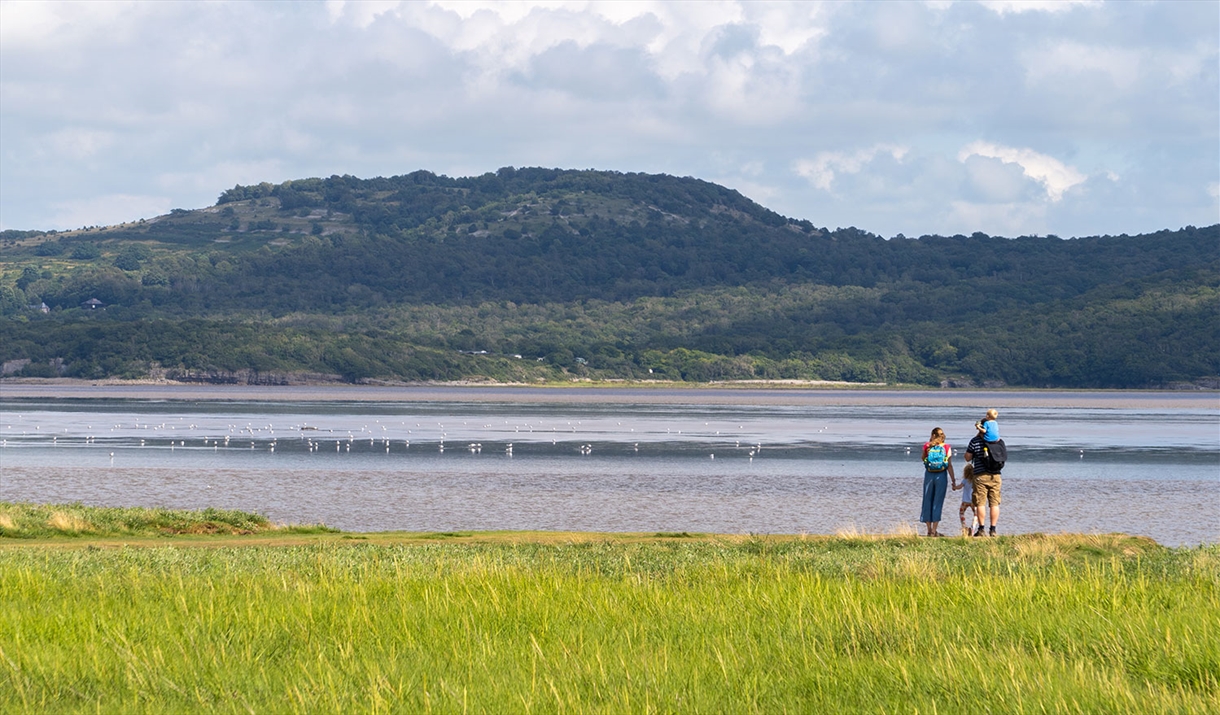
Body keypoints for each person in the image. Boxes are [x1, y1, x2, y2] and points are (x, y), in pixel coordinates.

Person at [965, 418, 1001, 536]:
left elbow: (968, 458)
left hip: (980, 475)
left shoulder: (975, 441)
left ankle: (981, 529)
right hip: (995, 475)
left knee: (980, 503)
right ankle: (993, 529)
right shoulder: (998, 441)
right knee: (994, 503)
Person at [919, 427, 955, 537]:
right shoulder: (947, 447)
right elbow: (949, 465)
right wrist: (953, 480)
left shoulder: (927, 446)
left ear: (933, 435)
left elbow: (923, 459)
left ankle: (929, 530)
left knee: (927, 500)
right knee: (937, 502)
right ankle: (934, 530)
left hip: (929, 475)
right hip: (941, 475)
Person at [954, 462, 978, 537]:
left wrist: (954, 487)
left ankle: (964, 526)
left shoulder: (965, 480)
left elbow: (959, 487)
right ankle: (973, 528)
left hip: (965, 501)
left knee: (961, 513)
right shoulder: (975, 480)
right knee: (976, 514)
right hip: (973, 501)